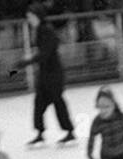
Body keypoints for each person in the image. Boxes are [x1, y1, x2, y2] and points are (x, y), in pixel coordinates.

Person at [13, 4, 76, 147]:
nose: (28, 19)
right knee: (39, 103)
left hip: (54, 74)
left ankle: (70, 132)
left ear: (37, 16)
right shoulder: (40, 30)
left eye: (30, 17)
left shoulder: (46, 30)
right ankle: (40, 134)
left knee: (58, 102)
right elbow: (43, 54)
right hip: (45, 73)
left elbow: (45, 54)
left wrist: (27, 61)